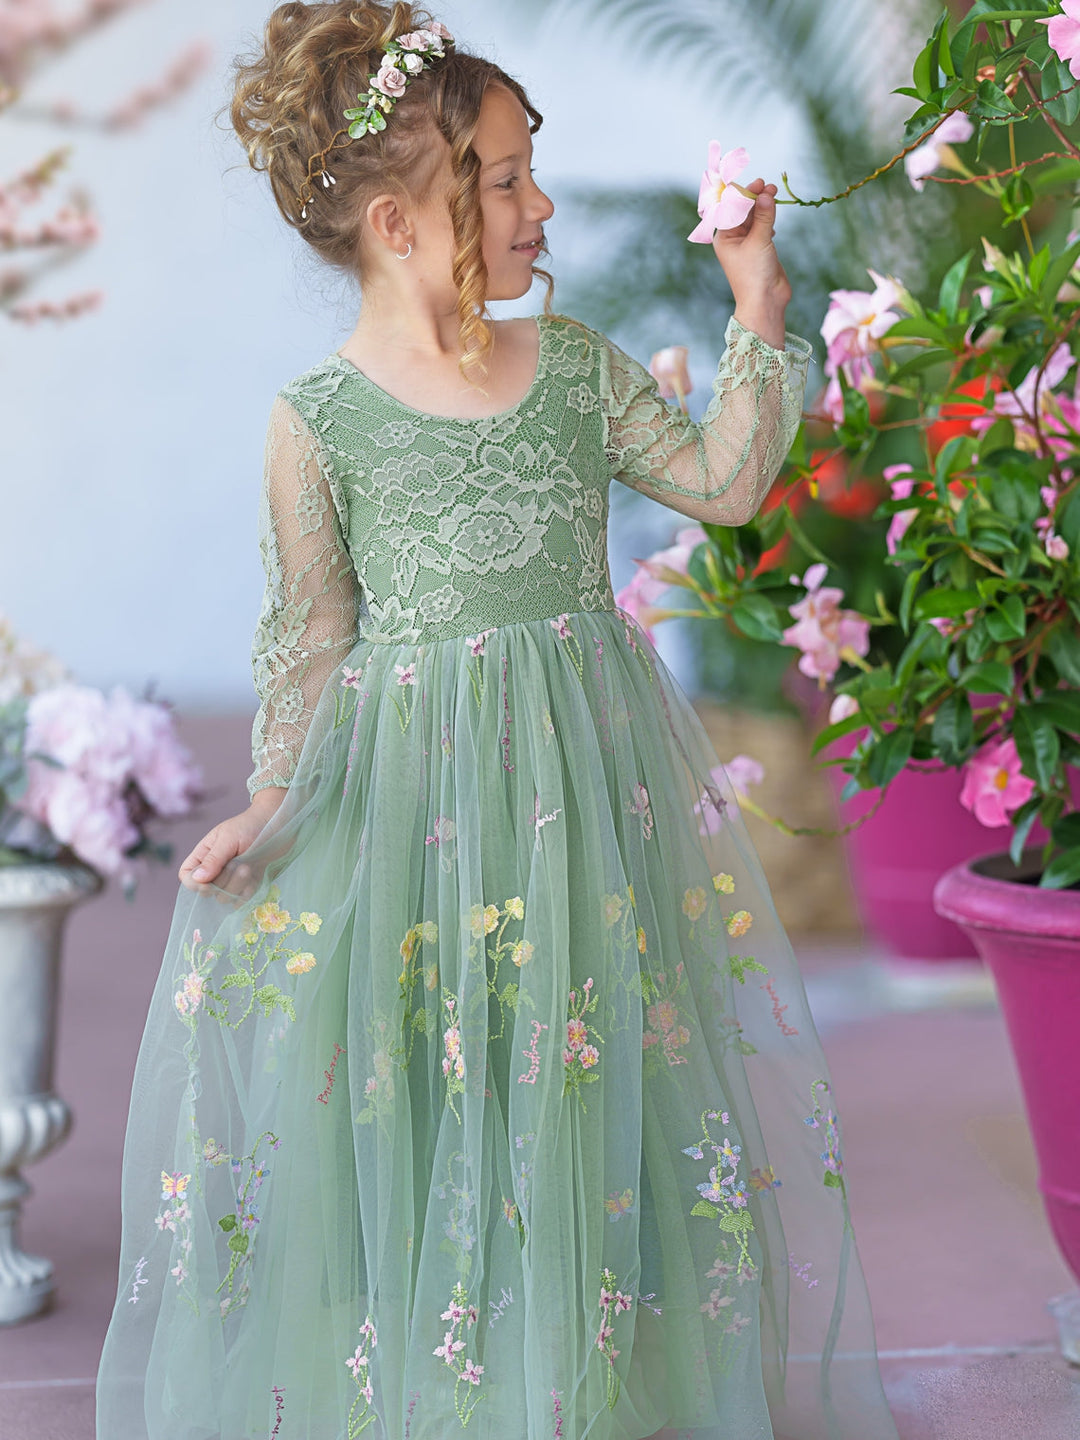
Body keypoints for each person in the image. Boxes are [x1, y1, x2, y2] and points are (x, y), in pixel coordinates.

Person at [95, 4, 901, 1438]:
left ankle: (586, 1390)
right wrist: (270, 805)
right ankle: (455, 1394)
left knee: (582, 1081)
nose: (541, 206)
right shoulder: (319, 421)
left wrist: (758, 304)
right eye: (508, 178)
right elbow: (314, 639)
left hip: (584, 798)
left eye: (537, 170)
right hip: (416, 816)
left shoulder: (573, 367)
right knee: (440, 1089)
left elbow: (723, 481)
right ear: (402, 221)